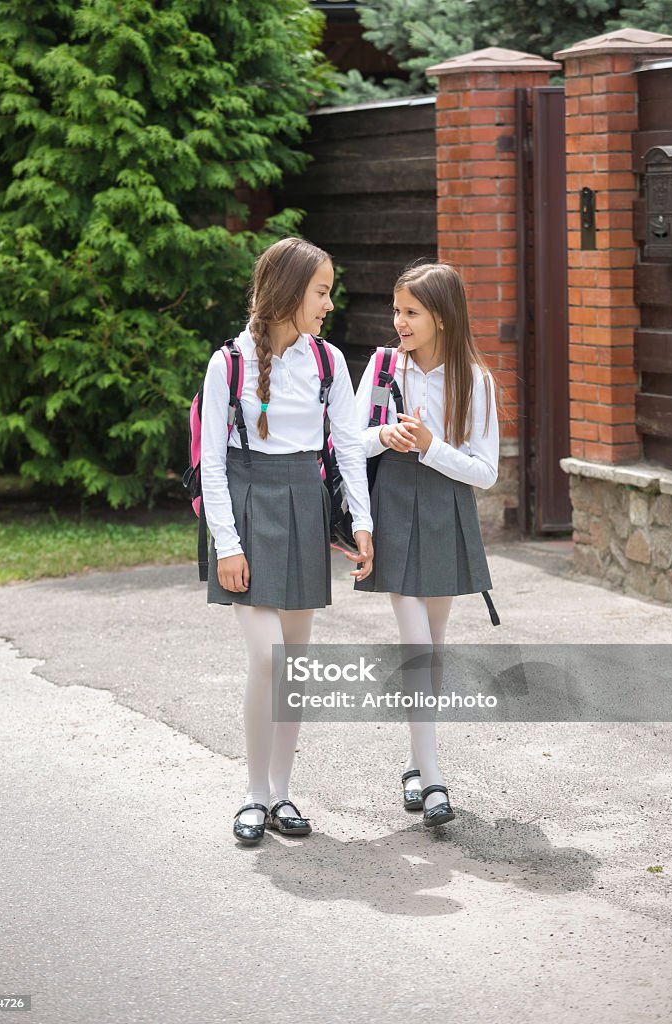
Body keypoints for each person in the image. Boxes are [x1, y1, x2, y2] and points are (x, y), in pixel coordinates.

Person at [200, 236, 374, 845]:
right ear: (287, 291)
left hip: (304, 504)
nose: (329, 304)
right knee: (269, 659)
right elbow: (213, 462)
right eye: (321, 292)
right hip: (247, 511)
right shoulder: (229, 362)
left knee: (293, 665)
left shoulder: (329, 363)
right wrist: (227, 544)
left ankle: (280, 793)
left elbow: (348, 445)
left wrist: (363, 522)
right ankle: (252, 794)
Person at [354, 262, 499, 828]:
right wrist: (384, 435)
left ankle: (416, 765)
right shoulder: (386, 366)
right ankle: (434, 780)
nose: (400, 322)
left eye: (411, 312)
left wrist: (431, 446)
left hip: (445, 511)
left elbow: (484, 472)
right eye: (397, 311)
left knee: (432, 647)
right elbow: (347, 439)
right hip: (392, 506)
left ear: (442, 316)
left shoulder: (476, 381)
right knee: (416, 644)